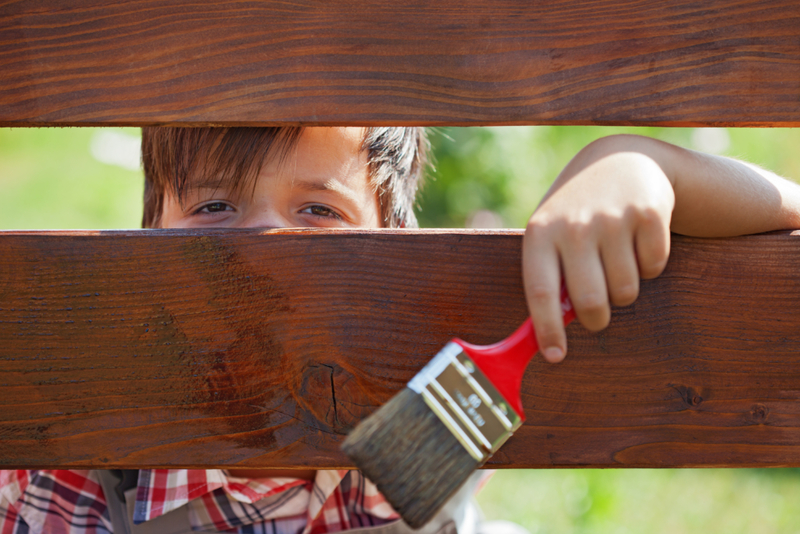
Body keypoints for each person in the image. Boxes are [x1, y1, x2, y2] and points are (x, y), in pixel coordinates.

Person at [2, 126, 800, 533]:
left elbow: (787, 211)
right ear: (145, 238)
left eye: (318, 210)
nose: (266, 248)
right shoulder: (67, 467)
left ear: (398, 250)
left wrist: (639, 163)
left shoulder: (430, 399)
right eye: (214, 207)